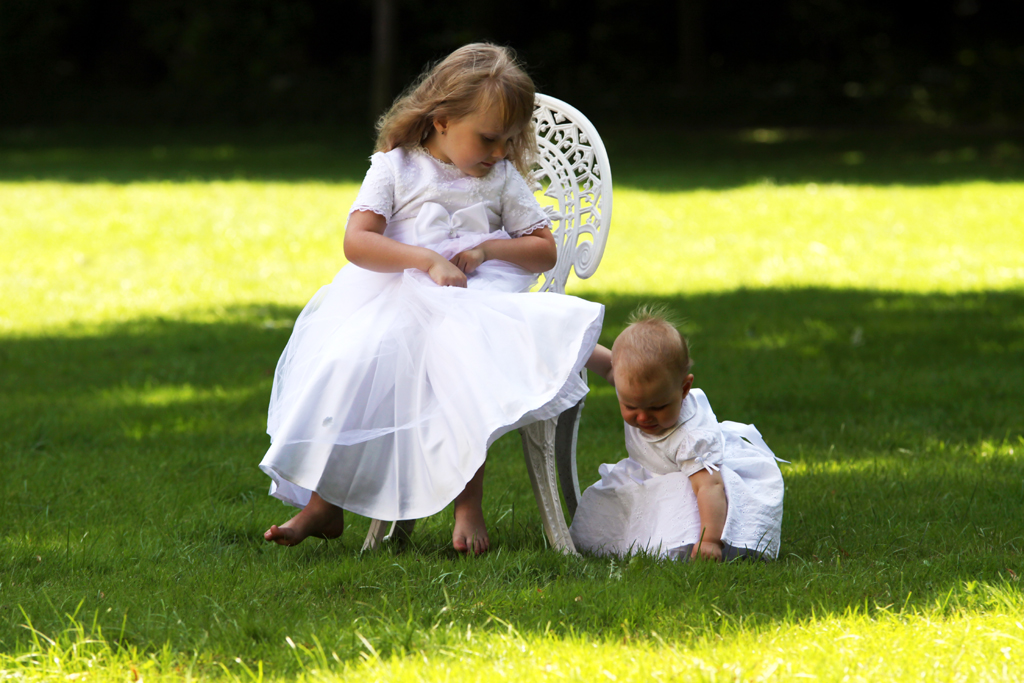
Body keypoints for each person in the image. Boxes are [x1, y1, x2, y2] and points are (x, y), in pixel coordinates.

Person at [259, 43, 604, 555]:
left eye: (510, 141)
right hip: (395, 294)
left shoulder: (502, 178)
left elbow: (543, 250)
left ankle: (468, 503)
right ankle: (323, 503)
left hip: (470, 297)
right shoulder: (395, 167)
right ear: (442, 120)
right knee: (349, 364)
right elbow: (358, 242)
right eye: (488, 138)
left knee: (458, 358)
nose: (500, 152)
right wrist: (423, 259)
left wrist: (487, 248)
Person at [574, 307, 784, 561]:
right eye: (630, 406)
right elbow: (598, 359)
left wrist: (710, 540)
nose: (642, 417)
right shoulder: (632, 382)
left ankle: (692, 544)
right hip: (656, 475)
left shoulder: (691, 438)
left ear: (684, 388)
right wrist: (569, 341)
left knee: (678, 499)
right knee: (621, 504)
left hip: (701, 489)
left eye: (657, 407)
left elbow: (710, 487)